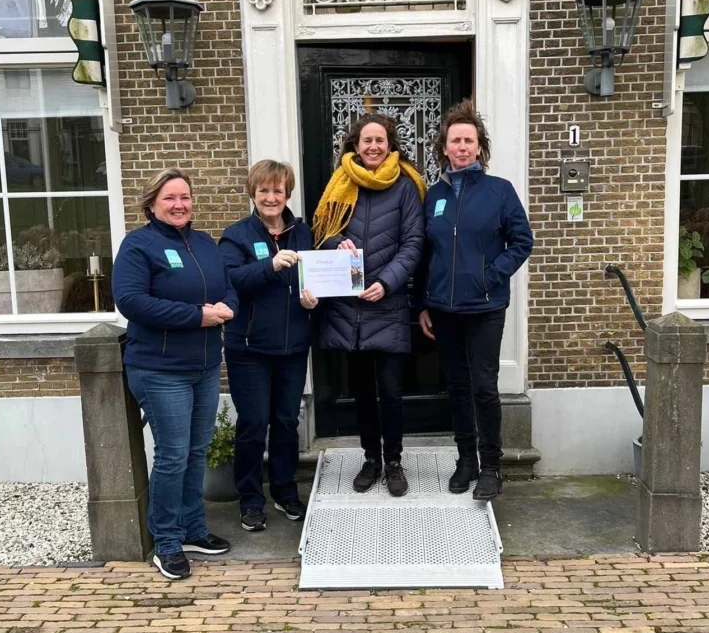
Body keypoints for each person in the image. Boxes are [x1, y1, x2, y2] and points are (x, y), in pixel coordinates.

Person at [111, 167, 238, 581]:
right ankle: (166, 539)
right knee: (172, 455)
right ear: (151, 203)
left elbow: (227, 285)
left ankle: (193, 528)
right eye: (170, 198)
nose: (179, 204)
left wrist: (228, 306)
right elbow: (131, 301)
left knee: (196, 451)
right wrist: (197, 316)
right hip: (159, 369)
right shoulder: (138, 245)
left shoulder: (203, 243)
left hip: (203, 366)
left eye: (185, 197)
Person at [418, 100, 533, 501]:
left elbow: (522, 242)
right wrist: (423, 303)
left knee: (484, 386)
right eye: (455, 140)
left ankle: (492, 466)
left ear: (479, 147)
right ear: (445, 148)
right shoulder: (434, 196)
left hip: (484, 308)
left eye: (469, 140)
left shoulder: (500, 191)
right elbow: (424, 252)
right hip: (444, 311)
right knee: (457, 386)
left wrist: (491, 275)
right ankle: (466, 460)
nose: (463, 146)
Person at [311, 113, 425, 497]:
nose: (373, 147)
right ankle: (370, 460)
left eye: (380, 140)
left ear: (390, 145)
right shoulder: (340, 183)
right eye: (366, 141)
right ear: (355, 146)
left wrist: (386, 282)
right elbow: (322, 231)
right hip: (348, 308)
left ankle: (393, 461)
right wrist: (334, 243)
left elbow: (414, 243)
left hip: (387, 304)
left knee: (391, 391)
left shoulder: (406, 187)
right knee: (361, 392)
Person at [219, 160, 315, 533]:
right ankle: (250, 498)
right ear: (253, 194)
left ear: (287, 194)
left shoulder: (302, 233)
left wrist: (313, 300)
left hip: (293, 346)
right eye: (264, 191)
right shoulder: (236, 236)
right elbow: (230, 279)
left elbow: (313, 277)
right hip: (249, 348)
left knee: (287, 422)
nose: (271, 197)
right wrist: (270, 265)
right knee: (254, 423)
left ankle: (285, 490)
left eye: (277, 190)